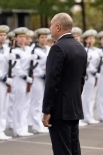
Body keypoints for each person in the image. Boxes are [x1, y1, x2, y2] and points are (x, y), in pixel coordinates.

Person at [42, 13, 87, 155]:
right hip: (74, 107)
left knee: (62, 150)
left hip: (60, 111)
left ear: (58, 27)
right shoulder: (80, 47)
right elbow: (81, 80)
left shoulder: (57, 48)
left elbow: (51, 82)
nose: (50, 29)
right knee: (74, 149)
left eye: (51, 25)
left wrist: (47, 110)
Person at [30, 28, 50, 134]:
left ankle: (41, 124)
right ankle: (36, 125)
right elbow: (33, 66)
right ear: (38, 39)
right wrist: (41, 74)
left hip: (46, 78)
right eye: (42, 37)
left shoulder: (48, 48)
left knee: (43, 101)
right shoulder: (34, 50)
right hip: (38, 78)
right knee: (36, 102)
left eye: (45, 37)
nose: (44, 39)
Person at [81, 29, 100, 124]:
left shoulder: (96, 51)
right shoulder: (85, 50)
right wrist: (93, 71)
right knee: (87, 96)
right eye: (89, 38)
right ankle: (86, 116)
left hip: (95, 75)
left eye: (93, 38)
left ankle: (90, 115)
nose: (91, 40)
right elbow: (85, 64)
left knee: (92, 96)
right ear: (86, 40)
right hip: (88, 75)